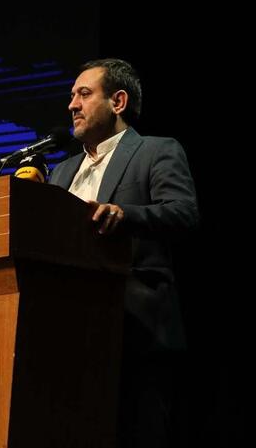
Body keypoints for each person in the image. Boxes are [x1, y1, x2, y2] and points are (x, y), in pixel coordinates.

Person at [48, 58, 199, 447]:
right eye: (72, 95)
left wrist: (125, 214)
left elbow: (183, 213)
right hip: (66, 335)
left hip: (136, 330)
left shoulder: (156, 151)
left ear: (117, 101)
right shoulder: (61, 172)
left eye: (84, 94)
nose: (72, 105)